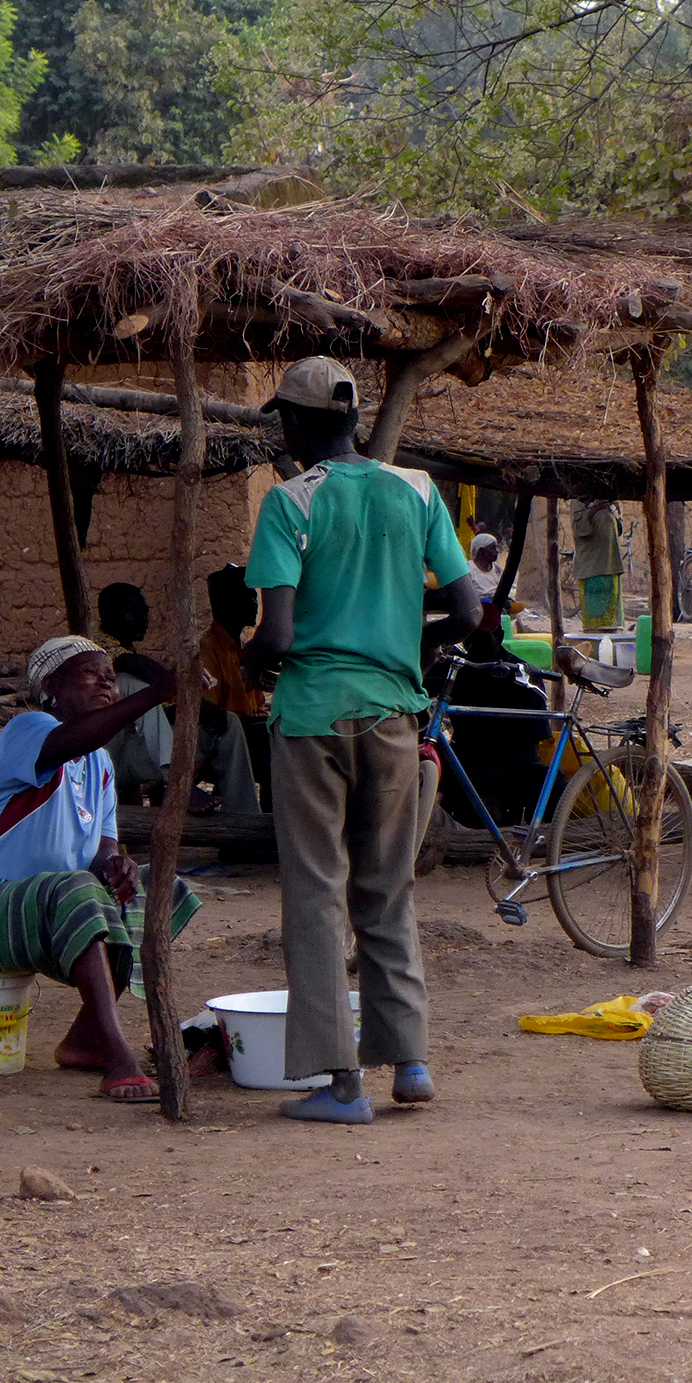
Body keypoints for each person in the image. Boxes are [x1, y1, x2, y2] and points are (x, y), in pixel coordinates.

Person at [242, 356, 479, 1125]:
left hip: (312, 714)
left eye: (286, 417)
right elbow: (469, 612)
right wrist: (398, 637)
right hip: (394, 715)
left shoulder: (290, 502)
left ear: (305, 424)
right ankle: (409, 1062)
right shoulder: (415, 491)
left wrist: (246, 658)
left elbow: (275, 635)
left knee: (316, 894)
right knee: (386, 887)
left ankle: (339, 1083)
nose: (282, 429)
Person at [0, 637, 200, 1102]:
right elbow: (78, 737)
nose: (107, 682)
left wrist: (120, 866)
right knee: (73, 888)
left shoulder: (99, 764)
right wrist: (156, 692)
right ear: (52, 685)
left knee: (159, 888)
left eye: (111, 676)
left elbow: (102, 849)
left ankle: (86, 1039)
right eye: (92, 674)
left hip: (45, 910)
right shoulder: (29, 730)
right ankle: (118, 1058)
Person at [98, 582, 260, 815]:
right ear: (109, 614)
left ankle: (245, 822)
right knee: (132, 683)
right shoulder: (96, 648)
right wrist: (186, 692)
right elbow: (136, 667)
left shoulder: (131, 653)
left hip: (138, 754)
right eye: (133, 609)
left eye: (145, 611)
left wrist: (199, 709)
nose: (144, 617)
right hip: (107, 758)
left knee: (228, 724)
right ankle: (175, 783)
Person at [200, 564, 271, 810]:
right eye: (248, 595)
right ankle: (266, 829)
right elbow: (211, 714)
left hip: (247, 731)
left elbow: (257, 708)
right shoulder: (207, 650)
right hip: (221, 738)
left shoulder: (243, 651)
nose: (255, 603)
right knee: (274, 742)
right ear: (225, 601)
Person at [569, 498, 625, 630]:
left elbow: (619, 529)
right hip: (591, 570)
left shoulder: (611, 498)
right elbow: (579, 529)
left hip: (612, 568)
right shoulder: (580, 498)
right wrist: (594, 508)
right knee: (595, 625)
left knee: (613, 626)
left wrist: (612, 510)